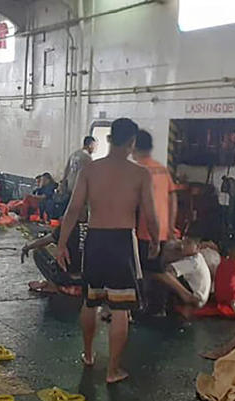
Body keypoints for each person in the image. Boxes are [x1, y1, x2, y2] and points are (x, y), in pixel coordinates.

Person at [57, 118, 159, 384]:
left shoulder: (91, 170)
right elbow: (150, 214)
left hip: (95, 239)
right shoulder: (140, 174)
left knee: (90, 301)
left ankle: (89, 355)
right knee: (121, 309)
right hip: (122, 242)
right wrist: (157, 241)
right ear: (132, 142)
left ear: (110, 137)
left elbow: (73, 210)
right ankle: (113, 371)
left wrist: (60, 245)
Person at [132, 129, 177, 312]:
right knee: (158, 268)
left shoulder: (137, 170)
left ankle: (145, 307)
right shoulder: (161, 169)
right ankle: (158, 307)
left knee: (145, 270)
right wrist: (171, 225)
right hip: (164, 229)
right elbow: (172, 197)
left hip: (145, 230)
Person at [148, 235, 211, 317]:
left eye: (188, 243)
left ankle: (184, 296)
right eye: (183, 242)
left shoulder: (193, 262)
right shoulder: (197, 257)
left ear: (197, 247)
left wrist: (151, 275)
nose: (183, 245)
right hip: (198, 295)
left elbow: (169, 271)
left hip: (195, 297)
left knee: (163, 275)